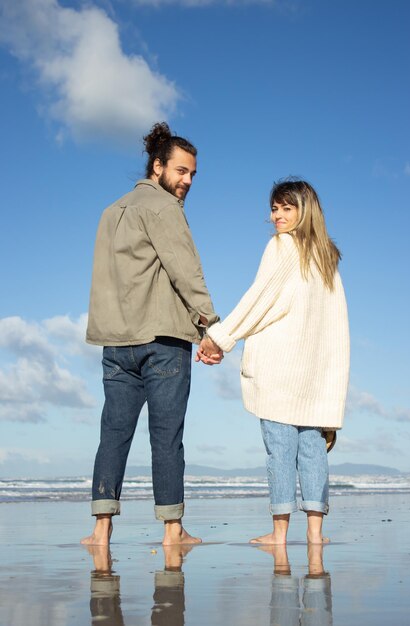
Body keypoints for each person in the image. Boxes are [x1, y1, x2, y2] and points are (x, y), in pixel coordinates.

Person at [81, 122, 221, 547]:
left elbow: (106, 279)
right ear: (157, 166)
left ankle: (100, 530)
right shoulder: (163, 209)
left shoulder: (111, 211)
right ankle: (172, 530)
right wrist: (210, 328)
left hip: (117, 340)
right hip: (161, 340)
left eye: (193, 174)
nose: (187, 181)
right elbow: (185, 271)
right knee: (166, 436)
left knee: (113, 434)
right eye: (181, 171)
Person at [197, 179, 349, 544]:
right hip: (314, 377)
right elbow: (338, 325)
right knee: (312, 452)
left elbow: (259, 299)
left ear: (304, 209)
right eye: (274, 208)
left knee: (281, 451)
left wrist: (220, 337)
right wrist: (333, 382)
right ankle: (315, 534)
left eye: (286, 208)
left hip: (281, 370)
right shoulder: (327, 258)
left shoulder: (282, 247)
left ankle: (279, 535)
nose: (276, 216)